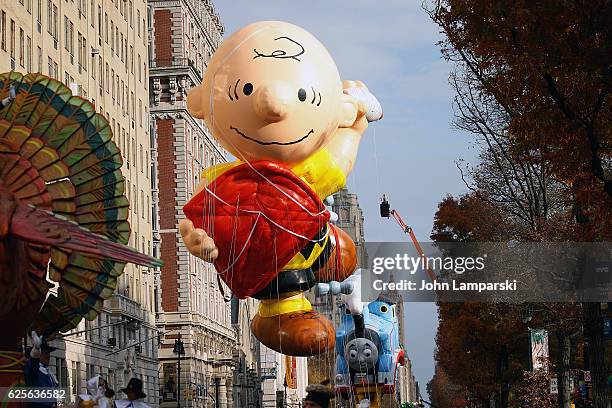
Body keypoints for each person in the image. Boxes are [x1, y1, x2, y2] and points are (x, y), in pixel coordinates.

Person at [24, 331, 59, 408]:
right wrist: (36, 350)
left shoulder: (48, 373)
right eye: (45, 353)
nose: (48, 356)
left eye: (48, 353)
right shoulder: (34, 368)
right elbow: (33, 366)